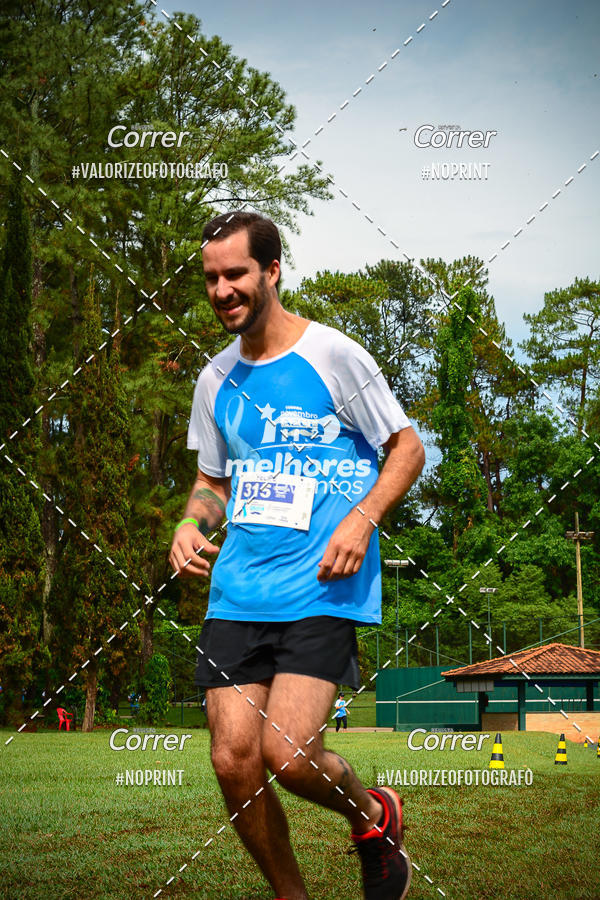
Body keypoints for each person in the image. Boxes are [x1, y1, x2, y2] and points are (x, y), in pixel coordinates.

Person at [169, 211, 425, 900]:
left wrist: (363, 519)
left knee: (288, 756)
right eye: (211, 278)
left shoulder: (334, 356)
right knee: (233, 763)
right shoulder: (215, 379)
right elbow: (213, 482)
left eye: (236, 274)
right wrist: (191, 523)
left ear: (272, 271)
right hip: (239, 591)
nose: (222, 290)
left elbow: (407, 448)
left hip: (321, 586)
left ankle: (373, 816)